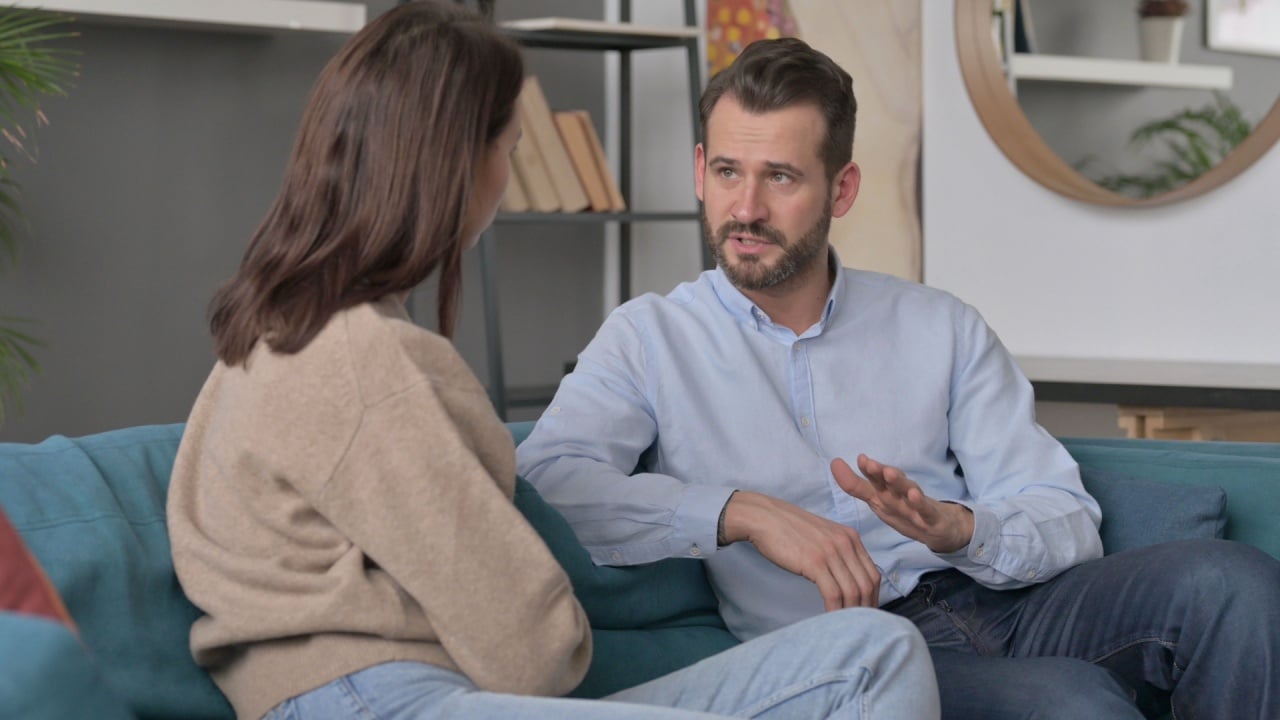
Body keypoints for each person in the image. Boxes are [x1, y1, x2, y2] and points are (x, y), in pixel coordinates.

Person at [166, 4, 941, 720]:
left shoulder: (278, 331)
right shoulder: (369, 362)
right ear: (454, 163)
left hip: (377, 694)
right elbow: (533, 653)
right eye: (509, 148)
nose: (504, 180)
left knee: (870, 650)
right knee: (876, 660)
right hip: (382, 700)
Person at [516, 36, 1280, 720]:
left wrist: (963, 527)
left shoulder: (938, 325)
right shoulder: (650, 337)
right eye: (727, 171)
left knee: (1233, 582)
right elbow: (549, 482)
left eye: (780, 176)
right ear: (698, 171)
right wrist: (741, 511)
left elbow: (1064, 512)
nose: (745, 208)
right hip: (858, 645)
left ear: (841, 190)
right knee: (1067, 703)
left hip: (1009, 599)